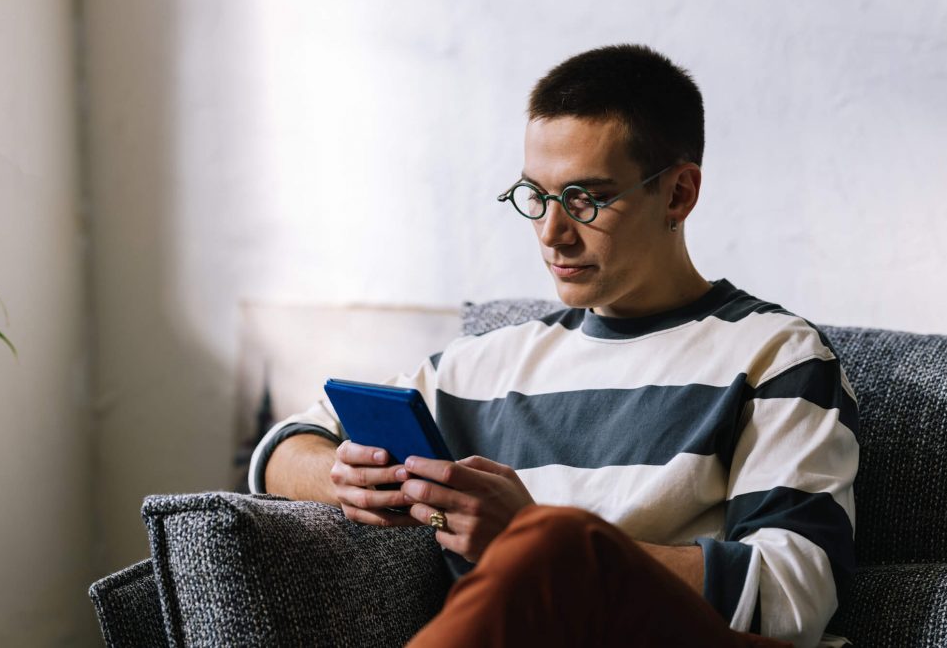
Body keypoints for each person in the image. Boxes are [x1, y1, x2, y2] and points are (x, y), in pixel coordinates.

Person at [249, 44, 859, 648]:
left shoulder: (776, 354)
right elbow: (286, 445)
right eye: (536, 196)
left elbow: (793, 595)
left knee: (555, 545)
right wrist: (338, 478)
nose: (551, 233)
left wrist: (531, 537)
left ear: (678, 194)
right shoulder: (482, 366)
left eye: (584, 199)